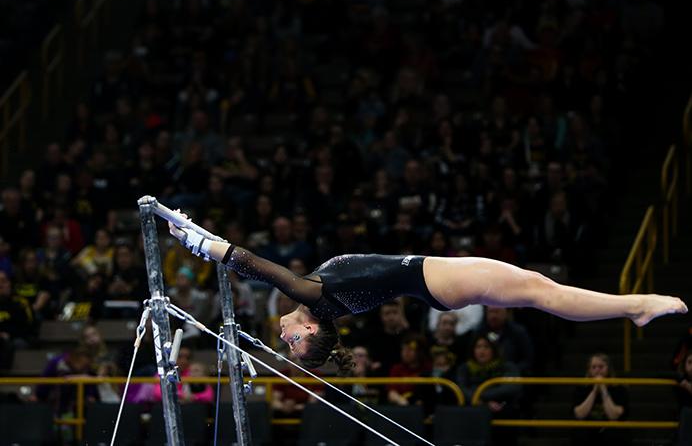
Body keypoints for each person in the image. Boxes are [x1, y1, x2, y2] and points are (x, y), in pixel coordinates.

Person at [167, 212, 687, 373]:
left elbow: (262, 270)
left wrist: (198, 237)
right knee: (540, 292)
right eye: (294, 345)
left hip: (436, 281)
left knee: (539, 291)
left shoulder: (317, 298)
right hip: (438, 279)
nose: (284, 340)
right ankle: (636, 307)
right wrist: (202, 244)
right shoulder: (319, 299)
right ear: (310, 329)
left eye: (287, 346)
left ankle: (633, 308)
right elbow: (260, 268)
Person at [572, 353, 629, 446]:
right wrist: (594, 391)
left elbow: (613, 416)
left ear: (608, 369)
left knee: (614, 434)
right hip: (588, 430)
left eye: (601, 367)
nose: (597, 370)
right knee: (580, 433)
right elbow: (580, 414)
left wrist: (603, 388)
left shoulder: (619, 389)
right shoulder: (581, 388)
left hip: (611, 430)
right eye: (593, 367)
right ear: (589, 370)